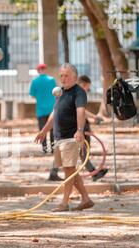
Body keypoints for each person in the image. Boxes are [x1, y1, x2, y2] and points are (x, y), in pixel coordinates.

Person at [35, 63, 94, 212]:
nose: (63, 78)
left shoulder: (79, 92)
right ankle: (86, 199)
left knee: (69, 170)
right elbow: (54, 114)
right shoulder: (60, 92)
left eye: (66, 76)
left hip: (70, 137)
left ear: (74, 77)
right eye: (61, 75)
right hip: (59, 137)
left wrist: (80, 130)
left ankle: (64, 203)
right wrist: (43, 131)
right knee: (70, 170)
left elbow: (81, 111)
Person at [30, 63, 62, 181]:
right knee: (53, 129)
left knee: (42, 129)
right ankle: (53, 147)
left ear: (38, 70)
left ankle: (44, 148)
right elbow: (57, 93)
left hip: (40, 109)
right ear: (45, 69)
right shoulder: (51, 80)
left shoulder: (35, 81)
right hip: (51, 108)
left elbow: (32, 94)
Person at [77, 75, 108, 182]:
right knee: (82, 152)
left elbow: (81, 112)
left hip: (82, 126)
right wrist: (94, 117)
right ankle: (94, 173)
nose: (88, 90)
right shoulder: (78, 94)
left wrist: (90, 122)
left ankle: (94, 172)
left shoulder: (77, 93)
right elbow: (81, 111)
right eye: (87, 87)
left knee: (82, 153)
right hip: (79, 128)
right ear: (83, 84)